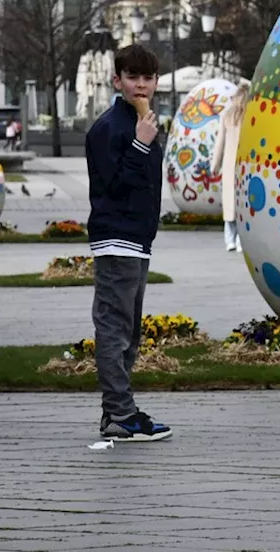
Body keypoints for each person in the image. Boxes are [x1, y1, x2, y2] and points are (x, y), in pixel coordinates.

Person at [85, 44, 172, 441]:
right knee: (114, 330)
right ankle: (121, 413)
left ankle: (117, 413)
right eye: (132, 77)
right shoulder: (109, 129)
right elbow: (114, 186)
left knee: (130, 334)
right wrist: (140, 145)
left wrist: (145, 140)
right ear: (116, 80)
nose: (141, 84)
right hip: (115, 240)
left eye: (148, 77)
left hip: (137, 241)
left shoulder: (145, 123)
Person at [210, 79, 250, 252]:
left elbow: (220, 143)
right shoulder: (250, 116)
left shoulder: (227, 116)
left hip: (229, 164)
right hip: (246, 165)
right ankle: (241, 240)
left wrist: (214, 166)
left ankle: (229, 240)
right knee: (243, 203)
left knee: (229, 203)